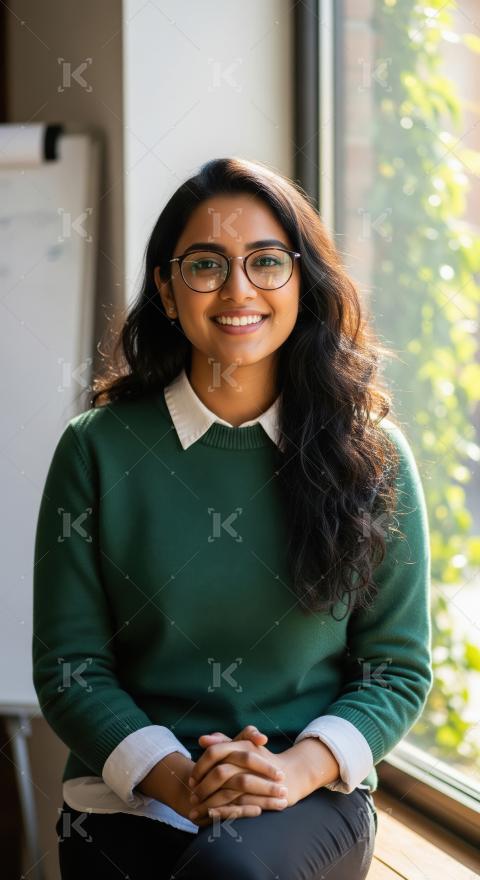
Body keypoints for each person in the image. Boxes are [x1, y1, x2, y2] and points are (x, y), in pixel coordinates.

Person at [33, 156, 432, 879]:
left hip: (311, 795)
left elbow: (396, 668)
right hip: (132, 793)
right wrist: (176, 778)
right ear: (166, 286)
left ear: (303, 279)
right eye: (207, 265)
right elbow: (70, 668)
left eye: (266, 262)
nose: (238, 290)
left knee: (231, 873)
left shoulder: (372, 455)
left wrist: (291, 771)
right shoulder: (95, 449)